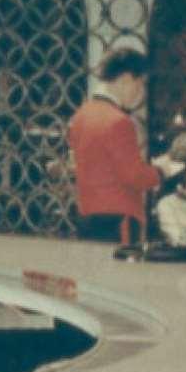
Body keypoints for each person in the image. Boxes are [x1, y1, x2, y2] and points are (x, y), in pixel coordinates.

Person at [65, 44, 157, 241]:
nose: (140, 92)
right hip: (118, 219)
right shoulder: (119, 121)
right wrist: (162, 171)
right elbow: (133, 176)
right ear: (125, 79)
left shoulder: (81, 115)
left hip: (87, 215)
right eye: (140, 83)